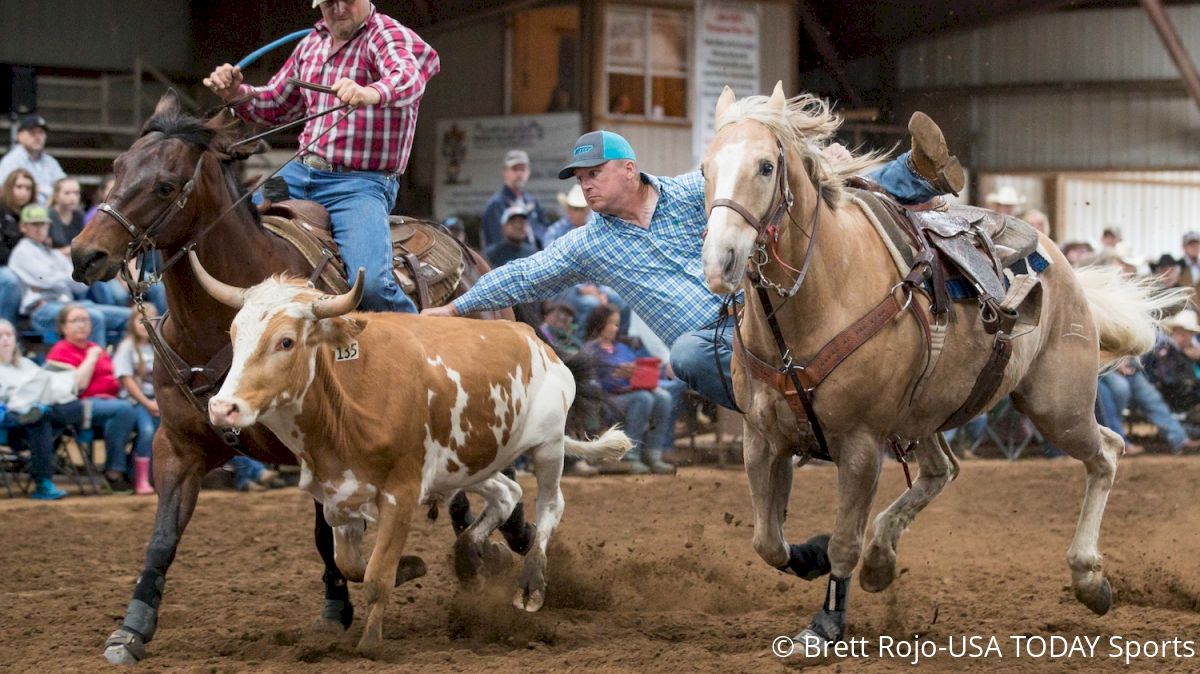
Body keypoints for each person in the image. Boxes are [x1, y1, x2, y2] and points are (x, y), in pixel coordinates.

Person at [422, 117, 964, 411]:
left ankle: (915, 176)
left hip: (760, 318)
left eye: (594, 173)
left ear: (629, 170)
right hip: (714, 344)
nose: (585, 184)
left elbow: (744, 177)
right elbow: (523, 274)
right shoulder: (588, 244)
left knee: (801, 200)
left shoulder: (689, 192)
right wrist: (457, 309)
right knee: (684, 352)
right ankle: (769, 415)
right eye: (579, 178)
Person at [203, 0, 440, 315]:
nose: (338, 8)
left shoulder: (385, 34)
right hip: (299, 175)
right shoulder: (311, 43)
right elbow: (276, 103)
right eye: (329, 2)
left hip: (360, 185)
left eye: (347, 0)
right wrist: (235, 93)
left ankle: (418, 342)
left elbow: (409, 77)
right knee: (229, 223)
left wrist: (371, 92)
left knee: (369, 286)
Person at [45, 304, 138, 491]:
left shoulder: (95, 347)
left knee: (145, 414)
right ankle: (113, 471)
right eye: (75, 320)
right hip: (78, 405)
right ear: (63, 327)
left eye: (85, 320)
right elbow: (78, 387)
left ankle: (132, 470)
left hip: (110, 402)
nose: (82, 325)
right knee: (124, 410)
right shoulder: (60, 351)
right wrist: (91, 358)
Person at [9, 204, 131, 347]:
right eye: (35, 224)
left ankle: (116, 359)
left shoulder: (54, 253)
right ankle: (97, 365)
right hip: (42, 309)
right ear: (23, 227)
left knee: (129, 316)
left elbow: (80, 285)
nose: (40, 229)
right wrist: (63, 277)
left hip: (68, 305)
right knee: (93, 318)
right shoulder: (22, 251)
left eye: (43, 224)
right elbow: (48, 280)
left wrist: (57, 279)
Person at [583, 305, 674, 475]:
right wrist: (614, 377)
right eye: (610, 323)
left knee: (664, 397)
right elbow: (590, 384)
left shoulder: (622, 348)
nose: (614, 328)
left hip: (630, 392)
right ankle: (630, 455)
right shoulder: (590, 350)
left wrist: (637, 375)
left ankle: (653, 453)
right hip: (607, 399)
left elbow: (638, 372)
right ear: (599, 324)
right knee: (643, 398)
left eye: (617, 324)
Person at [0, 319, 76, 500]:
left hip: (40, 420)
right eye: (0, 336)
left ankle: (36, 413)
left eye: (8, 335)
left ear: (15, 338)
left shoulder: (26, 364)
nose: (5, 339)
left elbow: (45, 386)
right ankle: (43, 483)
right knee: (37, 418)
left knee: (62, 409)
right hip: (9, 426)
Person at [111, 306, 160, 495]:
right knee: (147, 431)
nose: (146, 323)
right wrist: (148, 403)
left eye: (151, 319)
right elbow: (126, 380)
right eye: (140, 319)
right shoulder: (127, 347)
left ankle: (152, 474)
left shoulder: (159, 346)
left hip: (157, 400)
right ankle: (141, 479)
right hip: (136, 401)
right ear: (132, 323)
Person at [481, 149, 549, 248]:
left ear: (528, 172)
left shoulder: (532, 201)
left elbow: (546, 231)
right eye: (515, 169)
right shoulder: (496, 204)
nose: (519, 174)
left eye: (522, 169)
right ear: (505, 172)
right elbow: (497, 244)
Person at [0, 114, 65, 206]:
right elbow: (4, 192)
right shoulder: (11, 161)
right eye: (32, 133)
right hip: (20, 213)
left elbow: (64, 187)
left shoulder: (51, 162)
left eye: (41, 133)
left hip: (49, 212)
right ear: (20, 136)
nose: (38, 137)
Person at [0, 169, 37, 326]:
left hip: (25, 265)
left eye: (28, 188)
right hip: (5, 266)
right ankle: (6, 327)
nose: (24, 192)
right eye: (19, 187)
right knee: (11, 280)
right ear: (9, 188)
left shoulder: (33, 213)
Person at [545, 183, 589, 247]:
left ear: (586, 211)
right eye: (569, 208)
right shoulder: (558, 229)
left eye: (575, 209)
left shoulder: (593, 225)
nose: (570, 213)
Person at [48, 177, 86, 249]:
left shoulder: (80, 215)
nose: (73, 197)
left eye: (76, 193)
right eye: (67, 193)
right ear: (56, 196)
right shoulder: (48, 216)